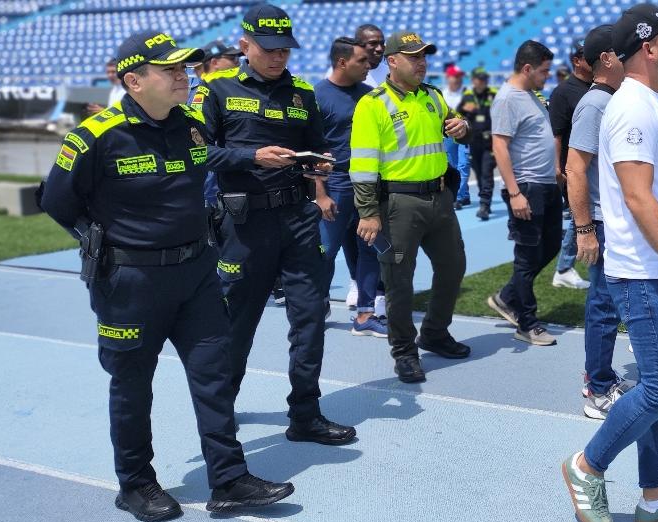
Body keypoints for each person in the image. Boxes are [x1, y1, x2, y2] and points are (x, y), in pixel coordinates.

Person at [38, 30, 293, 522]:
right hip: (130, 282)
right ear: (134, 81)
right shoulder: (95, 135)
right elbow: (55, 201)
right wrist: (101, 242)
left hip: (197, 273)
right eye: (171, 70)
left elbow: (210, 159)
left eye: (184, 68)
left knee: (214, 377)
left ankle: (229, 478)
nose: (184, 77)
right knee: (133, 385)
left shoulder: (191, 124)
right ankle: (135, 484)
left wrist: (253, 156)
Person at [560, 4, 658, 522]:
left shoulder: (648, 103)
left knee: (657, 383)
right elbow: (636, 196)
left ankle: (656, 497)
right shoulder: (630, 108)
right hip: (644, 273)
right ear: (649, 47)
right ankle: (587, 467)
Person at [198, 3, 356, 444]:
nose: (278, 56)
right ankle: (221, 413)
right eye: (268, 49)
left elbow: (317, 149)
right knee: (237, 324)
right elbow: (194, 154)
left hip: (298, 219)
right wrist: (251, 156)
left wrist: (320, 169)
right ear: (244, 44)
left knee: (309, 318)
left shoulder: (303, 94)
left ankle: (305, 414)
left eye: (285, 49)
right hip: (245, 225)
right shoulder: (216, 90)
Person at [351, 30, 472, 383]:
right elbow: (362, 166)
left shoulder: (433, 96)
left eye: (424, 56)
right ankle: (404, 351)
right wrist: (368, 212)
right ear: (392, 61)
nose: (422, 63)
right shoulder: (373, 104)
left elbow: (453, 125)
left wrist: (460, 127)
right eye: (414, 57)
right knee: (399, 281)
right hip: (398, 204)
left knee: (453, 267)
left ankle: (434, 332)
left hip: (439, 198)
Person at [565, 24, 636, 419]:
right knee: (604, 306)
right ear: (607, 59)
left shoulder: (612, 99)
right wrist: (585, 229)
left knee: (609, 304)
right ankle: (597, 388)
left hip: (612, 220)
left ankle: (602, 375)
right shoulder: (595, 104)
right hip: (601, 222)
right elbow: (576, 169)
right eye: (624, 53)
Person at [486, 40, 560, 346]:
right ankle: (527, 322)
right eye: (544, 71)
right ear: (527, 68)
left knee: (552, 244)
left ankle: (506, 296)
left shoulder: (531, 94)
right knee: (526, 258)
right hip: (527, 187)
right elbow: (499, 145)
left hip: (546, 184)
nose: (548, 76)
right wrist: (515, 193)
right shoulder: (507, 99)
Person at [315, 36, 386, 338]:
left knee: (370, 247)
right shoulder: (316, 96)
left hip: (367, 183)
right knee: (325, 251)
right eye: (361, 61)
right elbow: (312, 149)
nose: (368, 64)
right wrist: (320, 194)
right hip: (336, 184)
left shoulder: (371, 96)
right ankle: (316, 306)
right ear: (342, 62)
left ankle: (365, 315)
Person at [549, 36, 592, 290]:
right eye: (588, 55)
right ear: (576, 61)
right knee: (579, 218)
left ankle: (567, 267)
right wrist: (557, 167)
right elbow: (556, 133)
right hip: (573, 167)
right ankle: (564, 268)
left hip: (593, 166)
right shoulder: (563, 92)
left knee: (584, 218)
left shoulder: (597, 87)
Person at [190, 41, 241, 208]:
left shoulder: (237, 92)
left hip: (227, 183)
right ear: (214, 63)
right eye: (232, 58)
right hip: (207, 185)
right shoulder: (194, 93)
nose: (238, 62)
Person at [458, 67, 498, 220]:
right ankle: (484, 201)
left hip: (489, 142)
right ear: (473, 80)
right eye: (480, 78)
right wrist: (464, 111)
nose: (483, 81)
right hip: (474, 142)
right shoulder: (468, 96)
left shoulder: (493, 95)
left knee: (487, 172)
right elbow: (459, 116)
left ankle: (485, 205)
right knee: (479, 173)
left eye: (485, 79)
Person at [441, 64, 473, 210]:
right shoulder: (441, 94)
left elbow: (472, 114)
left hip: (464, 134)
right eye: (455, 76)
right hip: (448, 135)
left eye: (460, 77)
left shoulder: (468, 94)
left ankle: (458, 197)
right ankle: (464, 194)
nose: (458, 79)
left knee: (464, 164)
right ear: (448, 77)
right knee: (453, 165)